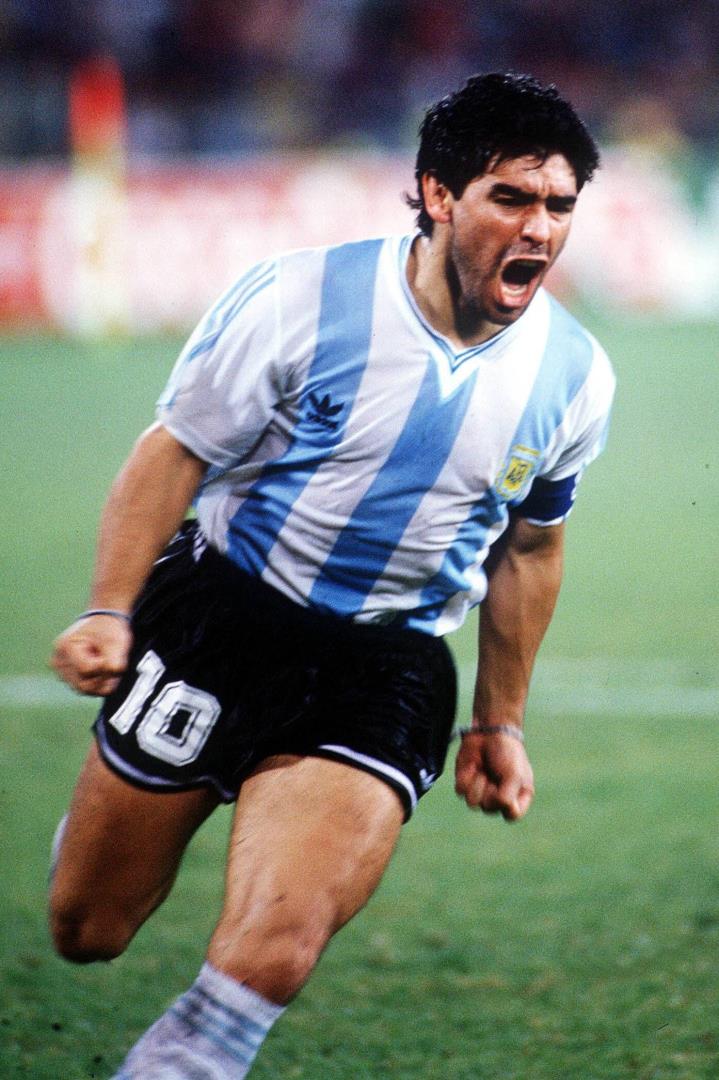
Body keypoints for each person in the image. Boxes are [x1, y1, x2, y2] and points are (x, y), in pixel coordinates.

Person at [49, 72, 615, 1078]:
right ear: (439, 195)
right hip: (215, 621)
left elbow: (528, 547)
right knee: (87, 926)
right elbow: (173, 452)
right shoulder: (299, 299)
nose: (538, 229)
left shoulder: (574, 376)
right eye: (510, 199)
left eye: (558, 206)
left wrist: (498, 720)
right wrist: (109, 608)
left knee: (275, 945)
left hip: (382, 667)